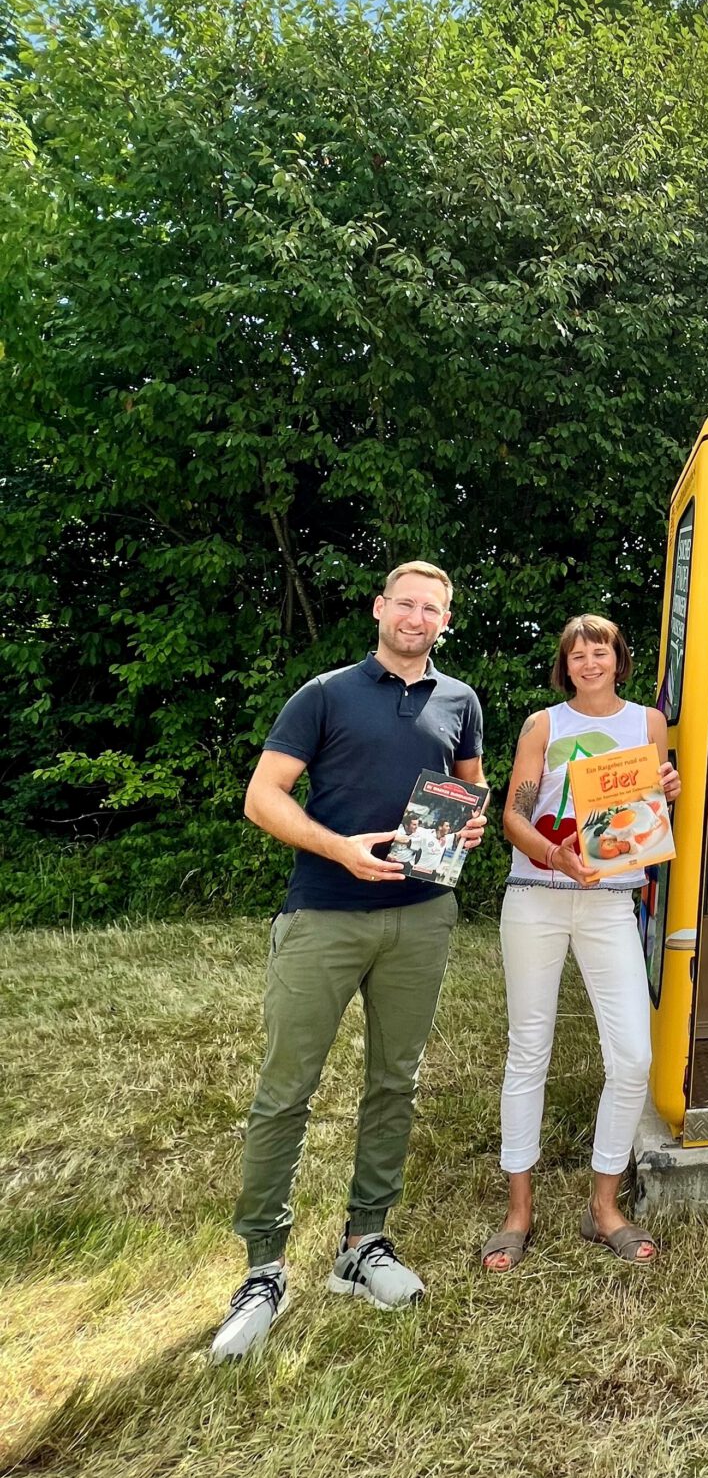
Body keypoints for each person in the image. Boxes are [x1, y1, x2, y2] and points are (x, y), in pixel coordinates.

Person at [210, 561, 487, 1362]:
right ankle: (263, 1268)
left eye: (432, 608)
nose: (417, 616)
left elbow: (470, 790)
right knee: (284, 1089)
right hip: (325, 914)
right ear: (380, 608)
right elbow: (264, 797)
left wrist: (468, 827)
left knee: (394, 1081)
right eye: (406, 602)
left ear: (444, 621)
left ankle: (363, 1246)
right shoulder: (324, 694)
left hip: (422, 918)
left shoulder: (461, 701)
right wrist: (338, 847)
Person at [482, 614, 680, 1271]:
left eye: (601, 652)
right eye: (577, 655)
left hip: (610, 903)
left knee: (631, 1059)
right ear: (564, 666)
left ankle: (603, 1208)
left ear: (619, 661)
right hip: (537, 899)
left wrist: (667, 792)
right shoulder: (545, 724)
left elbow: (646, 814)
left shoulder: (648, 725)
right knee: (528, 1052)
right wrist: (552, 855)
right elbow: (512, 814)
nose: (589, 663)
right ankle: (518, 1212)